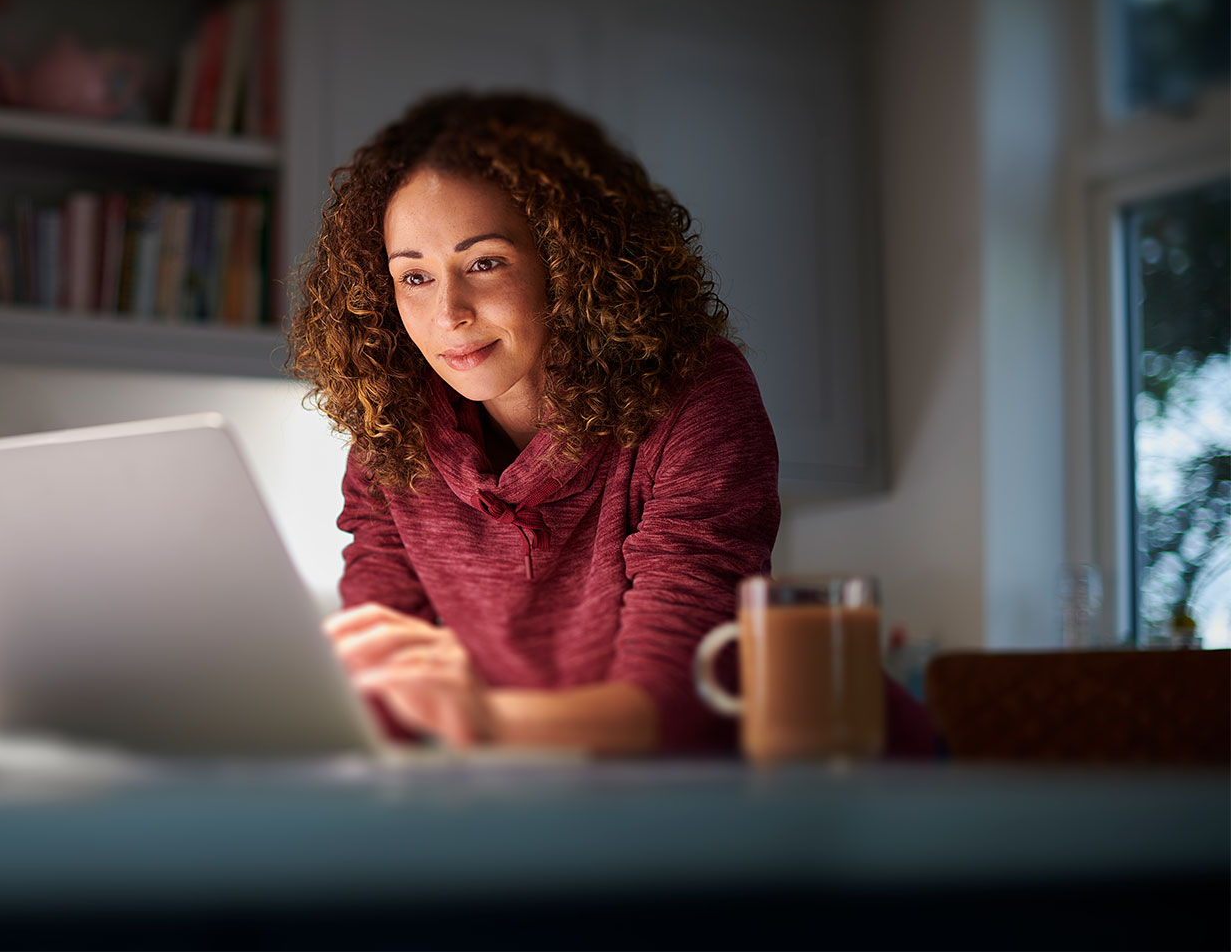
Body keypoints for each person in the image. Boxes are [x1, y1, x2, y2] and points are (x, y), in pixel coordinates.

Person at [288, 91, 934, 756]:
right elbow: (381, 689)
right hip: (576, 800)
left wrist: (482, 720)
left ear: (566, 263)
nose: (448, 311)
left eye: (484, 263)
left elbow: (674, 705)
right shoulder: (393, 430)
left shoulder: (691, 393)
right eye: (414, 277)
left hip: (836, 788)